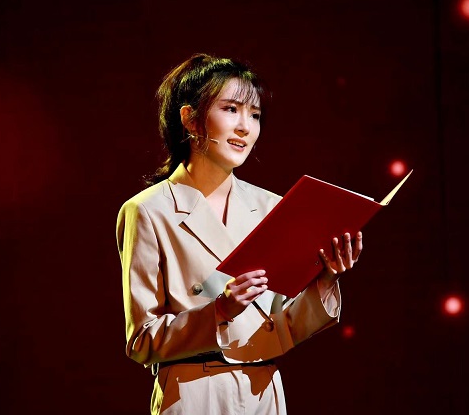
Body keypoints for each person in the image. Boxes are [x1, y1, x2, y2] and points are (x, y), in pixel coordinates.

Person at [116, 53, 363, 414]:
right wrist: (219, 310)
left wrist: (326, 279)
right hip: (193, 391)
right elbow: (142, 341)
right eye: (231, 109)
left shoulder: (271, 206)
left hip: (263, 391)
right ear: (191, 119)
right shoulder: (149, 210)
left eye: (255, 114)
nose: (245, 127)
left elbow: (284, 326)